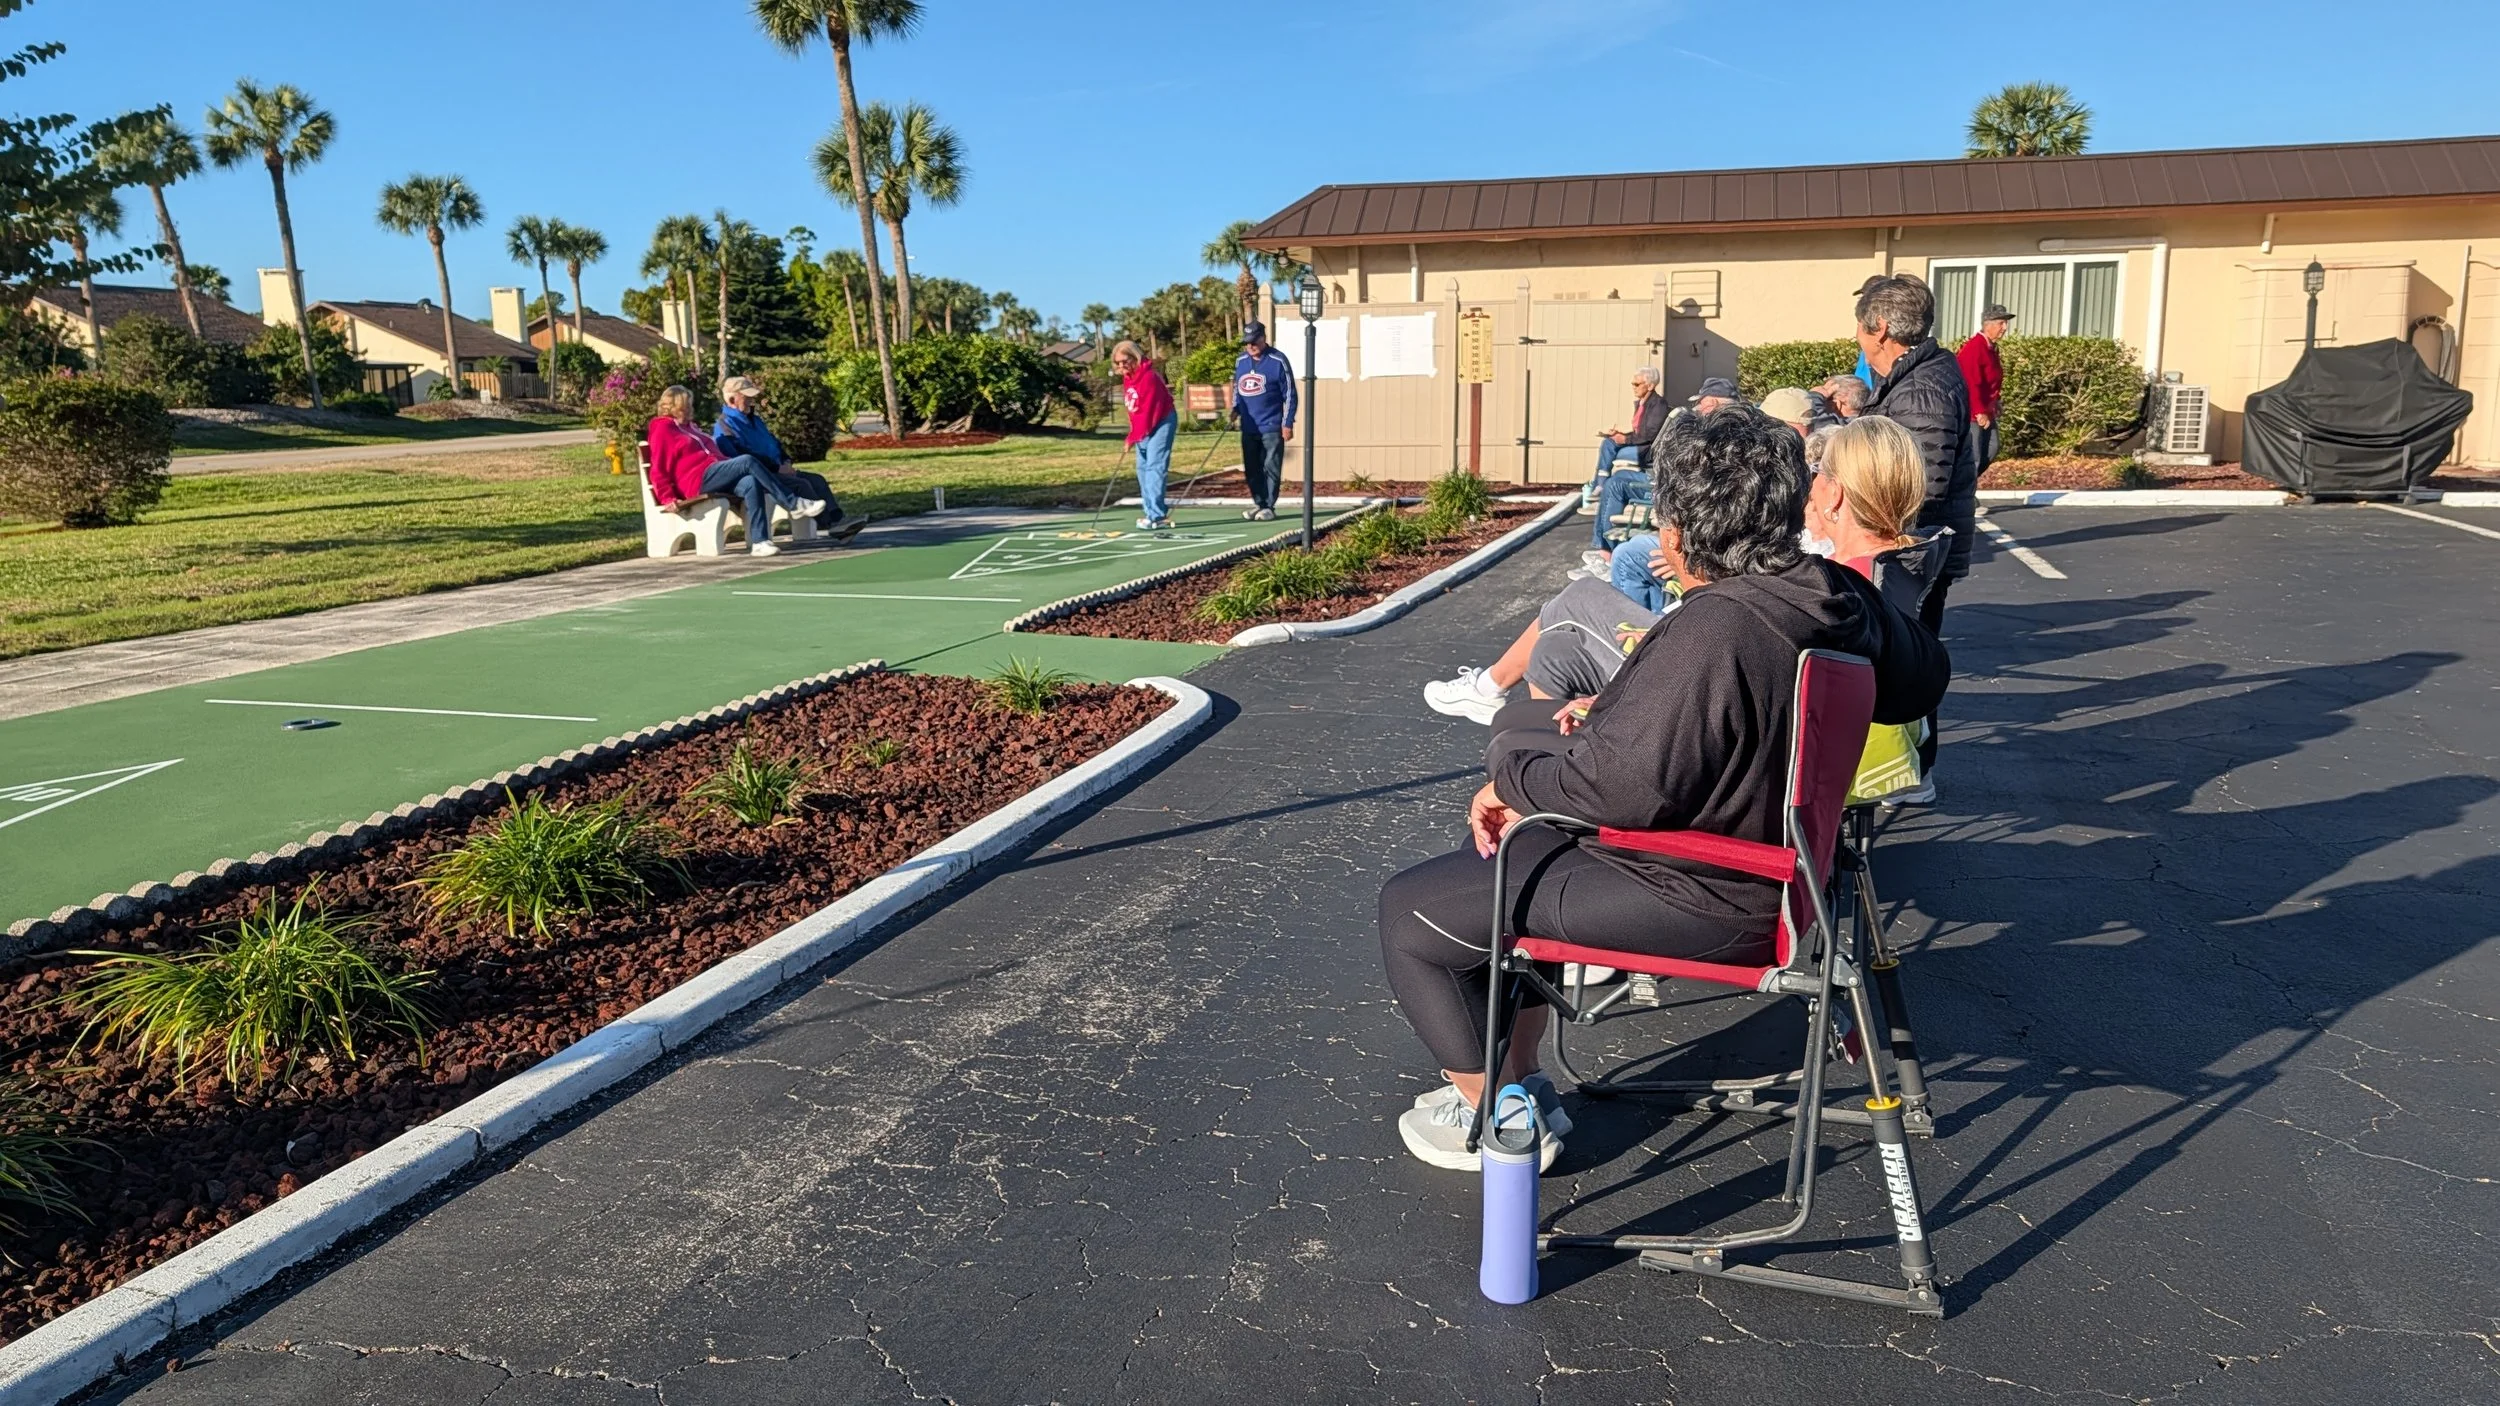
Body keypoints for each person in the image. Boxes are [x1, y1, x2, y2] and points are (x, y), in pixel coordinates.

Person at [1378, 405, 1950, 1170]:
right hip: (1776, 875)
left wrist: (1509, 753)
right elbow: (1922, 678)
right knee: (1518, 849)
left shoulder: (1718, 624)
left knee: (1411, 915)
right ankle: (1522, 1079)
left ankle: (1498, 1114)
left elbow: (1617, 792)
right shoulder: (1822, 598)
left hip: (1702, 890)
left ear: (1677, 530)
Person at [1855, 273, 1976, 777]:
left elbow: (1918, 486)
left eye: (1860, 327)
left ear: (1879, 328)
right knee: (1907, 658)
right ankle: (1905, 765)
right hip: (1910, 548)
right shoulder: (1917, 378)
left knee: (1908, 663)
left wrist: (1860, 523)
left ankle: (1909, 770)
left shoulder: (1922, 389)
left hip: (1910, 551)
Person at [646, 384, 820, 558]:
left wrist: (729, 466)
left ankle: (760, 542)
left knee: (750, 483)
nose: (692, 407)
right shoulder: (662, 428)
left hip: (715, 473)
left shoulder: (691, 427)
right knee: (747, 461)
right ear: (678, 404)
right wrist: (667, 496)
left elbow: (713, 455)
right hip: (698, 480)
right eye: (688, 403)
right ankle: (792, 503)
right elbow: (658, 466)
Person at [1583, 375, 1734, 564]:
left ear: (1711, 403)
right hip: (1679, 487)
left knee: (1616, 483)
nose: (1697, 409)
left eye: (1700, 404)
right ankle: (1604, 547)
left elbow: (1653, 438)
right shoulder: (1737, 429)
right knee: (1612, 456)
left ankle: (1607, 553)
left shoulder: (1711, 431)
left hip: (1675, 492)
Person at [714, 376, 863, 545]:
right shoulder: (724, 425)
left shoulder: (755, 420)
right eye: (746, 397)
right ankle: (831, 525)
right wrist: (777, 468)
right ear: (732, 399)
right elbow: (740, 455)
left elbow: (773, 443)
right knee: (802, 485)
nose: (751, 400)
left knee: (817, 480)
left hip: (778, 468)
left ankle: (839, 520)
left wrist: (786, 461)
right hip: (762, 476)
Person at [1233, 321, 1297, 522]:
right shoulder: (1241, 361)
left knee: (1270, 465)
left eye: (1254, 341)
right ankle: (1259, 502)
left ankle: (1269, 505)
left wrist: (1287, 423)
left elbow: (1290, 394)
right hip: (1249, 425)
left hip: (1271, 424)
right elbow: (1237, 388)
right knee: (1252, 467)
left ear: (1263, 338)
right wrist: (1235, 409)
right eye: (1247, 342)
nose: (1250, 346)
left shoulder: (1278, 361)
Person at [1111, 340, 1178, 530]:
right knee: (1142, 469)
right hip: (1144, 424)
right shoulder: (1128, 378)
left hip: (1162, 421)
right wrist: (1133, 434)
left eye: (1125, 361)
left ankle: (1157, 516)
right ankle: (1149, 512)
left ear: (1135, 358)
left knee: (1155, 467)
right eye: (1118, 363)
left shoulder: (1148, 377)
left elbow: (1148, 412)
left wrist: (1133, 437)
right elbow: (1135, 411)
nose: (1121, 366)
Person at [1956, 303, 2013, 475]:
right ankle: (1965, 495)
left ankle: (1966, 486)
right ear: (1988, 324)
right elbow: (1970, 382)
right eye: (2001, 323)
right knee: (1974, 455)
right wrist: (1979, 411)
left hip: (1987, 408)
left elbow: (1991, 380)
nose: (2005, 328)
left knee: (1992, 447)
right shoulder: (1975, 348)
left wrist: (1996, 401)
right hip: (1973, 411)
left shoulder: (1991, 348)